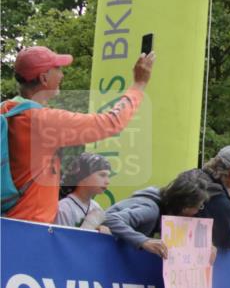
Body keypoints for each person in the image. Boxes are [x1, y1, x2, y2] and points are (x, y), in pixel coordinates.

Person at [2, 46, 154, 222]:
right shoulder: (42, 120)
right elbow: (111, 122)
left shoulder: (6, 110)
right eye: (58, 69)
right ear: (44, 78)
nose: (62, 75)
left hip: (7, 221)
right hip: (30, 226)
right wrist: (138, 84)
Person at [102, 171, 211, 258]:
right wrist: (144, 241)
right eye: (198, 206)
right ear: (184, 207)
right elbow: (110, 218)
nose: (197, 211)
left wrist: (207, 246)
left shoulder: (166, 211)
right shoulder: (150, 210)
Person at [55, 152, 112, 232]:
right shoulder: (64, 208)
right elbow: (62, 238)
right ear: (83, 176)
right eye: (102, 175)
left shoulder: (96, 207)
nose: (107, 181)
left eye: (108, 176)